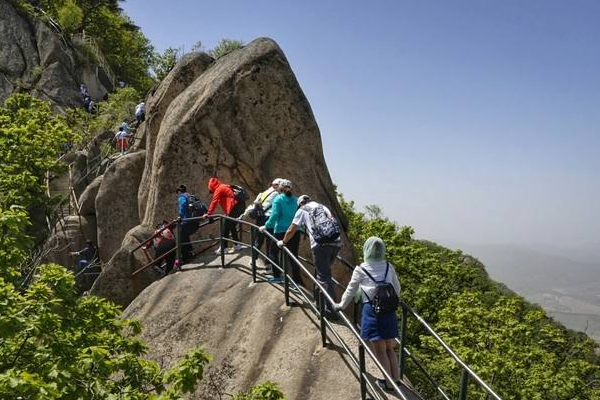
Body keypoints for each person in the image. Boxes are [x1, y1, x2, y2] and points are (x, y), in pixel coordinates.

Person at [334, 237, 401, 392]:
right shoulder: (388, 266)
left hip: (373, 312)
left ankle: (389, 384)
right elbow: (397, 289)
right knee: (389, 348)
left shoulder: (361, 269)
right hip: (389, 311)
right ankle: (396, 381)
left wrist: (341, 305)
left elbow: (351, 290)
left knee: (380, 350)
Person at [279, 195, 342, 315]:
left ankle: (330, 310)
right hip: (336, 243)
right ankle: (318, 302)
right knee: (321, 273)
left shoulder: (302, 210)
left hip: (321, 245)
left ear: (300, 204)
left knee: (324, 277)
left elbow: (292, 229)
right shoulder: (322, 206)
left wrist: (283, 242)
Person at [259, 180, 303, 284]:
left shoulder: (278, 199)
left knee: (273, 252)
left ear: (280, 188)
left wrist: (266, 226)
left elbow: (274, 215)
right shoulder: (296, 200)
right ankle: (297, 281)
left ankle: (277, 276)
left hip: (280, 230)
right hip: (295, 231)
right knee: (293, 256)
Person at [243, 178, 283, 271]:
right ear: (277, 185)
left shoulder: (263, 193)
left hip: (260, 218)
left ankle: (253, 260)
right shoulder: (278, 195)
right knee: (270, 242)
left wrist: (244, 215)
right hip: (270, 219)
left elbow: (254, 204)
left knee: (258, 240)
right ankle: (268, 265)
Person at [202, 177, 246, 254]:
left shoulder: (219, 189)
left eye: (211, 190)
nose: (211, 192)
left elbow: (214, 202)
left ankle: (223, 248)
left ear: (212, 187)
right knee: (231, 225)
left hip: (235, 207)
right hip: (240, 206)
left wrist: (208, 214)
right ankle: (237, 244)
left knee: (226, 227)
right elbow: (229, 199)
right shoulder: (224, 186)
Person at [177, 184, 198, 262]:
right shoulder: (191, 196)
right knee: (185, 236)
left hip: (187, 222)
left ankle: (186, 257)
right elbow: (200, 205)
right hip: (196, 221)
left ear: (179, 191)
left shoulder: (182, 197)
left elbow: (182, 207)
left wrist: (180, 216)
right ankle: (190, 252)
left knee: (180, 238)